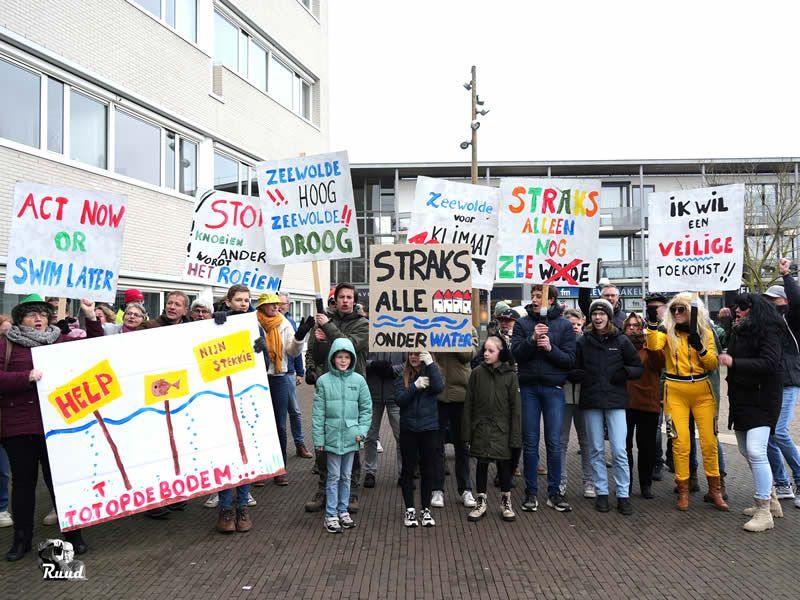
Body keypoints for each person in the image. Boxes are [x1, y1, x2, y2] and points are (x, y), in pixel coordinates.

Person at [0, 294, 103, 561]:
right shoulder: (6, 343)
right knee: (23, 485)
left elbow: (94, 349)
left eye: (43, 314)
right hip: (19, 426)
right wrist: (25, 377)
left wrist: (90, 316)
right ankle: (22, 540)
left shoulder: (59, 341)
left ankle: (73, 535)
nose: (38, 319)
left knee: (60, 483)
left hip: (57, 425)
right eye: (32, 314)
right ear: (20, 318)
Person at [645, 293, 727, 511]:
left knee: (709, 442)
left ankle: (715, 490)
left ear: (693, 312)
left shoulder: (705, 332)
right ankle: (683, 491)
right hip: (675, 390)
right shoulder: (666, 332)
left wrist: (699, 346)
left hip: (702, 391)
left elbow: (711, 364)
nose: (678, 313)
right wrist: (653, 322)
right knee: (681, 443)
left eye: (682, 309)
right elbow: (653, 346)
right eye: (674, 310)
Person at [720, 293, 784, 531]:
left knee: (756, 451)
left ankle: (764, 510)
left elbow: (770, 363)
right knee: (747, 450)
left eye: (743, 307)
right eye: (737, 306)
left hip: (762, 399)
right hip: (742, 399)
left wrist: (733, 363)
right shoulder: (739, 330)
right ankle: (773, 500)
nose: (737, 310)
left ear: (754, 309)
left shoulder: (769, 331)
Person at [304, 283, 369, 513]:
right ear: (336, 299)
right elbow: (312, 351)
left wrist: (328, 328)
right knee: (326, 441)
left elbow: (348, 345)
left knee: (352, 440)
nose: (345, 300)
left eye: (349, 297)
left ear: (354, 300)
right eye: (341, 296)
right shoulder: (324, 320)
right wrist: (310, 368)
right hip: (328, 388)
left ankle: (351, 492)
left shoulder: (362, 324)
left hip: (352, 388)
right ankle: (323, 489)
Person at [573, 299, 642, 515]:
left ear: (609, 317)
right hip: (592, 400)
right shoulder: (583, 342)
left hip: (615, 400)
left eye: (602, 314)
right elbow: (573, 366)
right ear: (590, 317)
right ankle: (602, 492)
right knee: (595, 449)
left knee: (620, 451)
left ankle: (623, 494)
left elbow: (637, 367)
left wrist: (625, 373)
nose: (598, 317)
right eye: (595, 314)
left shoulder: (621, 341)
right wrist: (579, 375)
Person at [511, 284, 575, 513]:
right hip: (528, 389)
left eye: (540, 296)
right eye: (534, 296)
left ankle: (554, 492)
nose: (536, 300)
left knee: (554, 443)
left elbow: (569, 360)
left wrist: (550, 348)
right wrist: (531, 339)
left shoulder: (565, 326)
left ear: (552, 300)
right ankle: (531, 492)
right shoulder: (522, 323)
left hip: (553, 389)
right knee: (530, 442)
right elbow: (515, 353)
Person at [312, 338, 372, 533]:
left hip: (351, 437)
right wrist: (319, 440)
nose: (343, 360)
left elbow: (366, 409)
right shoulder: (323, 381)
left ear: (352, 359)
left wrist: (361, 432)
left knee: (346, 476)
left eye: (347, 357)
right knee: (333, 476)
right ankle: (330, 514)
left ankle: (343, 511)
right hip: (331, 437)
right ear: (333, 358)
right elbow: (318, 414)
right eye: (340, 356)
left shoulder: (359, 380)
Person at [255, 292, 313, 487]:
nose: (276, 307)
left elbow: (291, 351)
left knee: (280, 425)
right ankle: (261, 470)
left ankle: (279, 468)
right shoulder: (252, 322)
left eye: (277, 304)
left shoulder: (284, 323)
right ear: (262, 306)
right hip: (258, 378)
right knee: (260, 425)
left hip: (279, 377)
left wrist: (299, 337)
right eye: (271, 304)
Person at [463, 336, 522, 522]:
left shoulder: (511, 376)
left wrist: (515, 436)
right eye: (485, 350)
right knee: (481, 464)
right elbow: (469, 404)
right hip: (481, 428)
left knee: (504, 466)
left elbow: (515, 409)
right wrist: (467, 432)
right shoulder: (477, 373)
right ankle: (481, 501)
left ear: (500, 352)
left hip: (502, 429)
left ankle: (506, 501)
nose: (486, 354)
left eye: (491, 351)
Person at [763, 258, 800, 508]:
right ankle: (781, 481)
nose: (768, 305)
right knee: (767, 436)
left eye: (772, 301)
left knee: (779, 431)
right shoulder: (769, 324)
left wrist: (786, 275)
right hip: (771, 384)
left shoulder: (793, 319)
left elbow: (797, 301)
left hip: (788, 381)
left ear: (784, 301)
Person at [430, 326, 479, 510]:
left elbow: (468, 355)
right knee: (436, 444)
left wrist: (454, 336)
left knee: (462, 444)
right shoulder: (431, 326)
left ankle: (465, 488)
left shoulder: (469, 329)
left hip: (461, 394)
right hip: (437, 393)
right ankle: (437, 489)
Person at [395, 351, 443, 527]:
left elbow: (439, 388)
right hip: (409, 429)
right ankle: (410, 509)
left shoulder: (433, 371)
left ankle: (425, 509)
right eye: (411, 354)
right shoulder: (402, 374)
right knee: (408, 470)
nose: (414, 357)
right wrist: (414, 387)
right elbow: (399, 400)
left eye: (418, 354)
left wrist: (430, 364)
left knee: (428, 470)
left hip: (429, 428)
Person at [623, 312, 665, 499]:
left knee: (647, 447)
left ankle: (645, 484)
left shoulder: (651, 347)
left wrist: (652, 343)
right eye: (630, 326)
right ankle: (626, 483)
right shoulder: (620, 346)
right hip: (624, 402)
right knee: (624, 448)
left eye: (637, 326)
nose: (633, 329)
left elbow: (660, 364)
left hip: (647, 402)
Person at [559, 308, 594, 498]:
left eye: (577, 324)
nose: (574, 327)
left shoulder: (587, 342)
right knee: (561, 441)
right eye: (571, 324)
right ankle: (561, 481)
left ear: (582, 322)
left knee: (586, 441)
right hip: (563, 395)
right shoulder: (560, 341)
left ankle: (589, 481)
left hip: (583, 396)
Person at [278, 293, 313, 460]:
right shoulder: (262, 321)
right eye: (276, 303)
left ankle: (300, 444)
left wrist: (300, 372)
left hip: (289, 372)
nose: (279, 306)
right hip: (272, 374)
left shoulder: (290, 322)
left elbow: (296, 350)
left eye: (283, 303)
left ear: (288, 305)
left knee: (295, 411)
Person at [364, 350, 404, 488]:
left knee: (401, 436)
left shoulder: (402, 337)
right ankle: (370, 471)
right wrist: (373, 364)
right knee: (370, 436)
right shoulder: (370, 336)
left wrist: (393, 370)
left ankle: (403, 473)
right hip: (372, 394)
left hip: (395, 393)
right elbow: (359, 358)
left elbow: (409, 361)